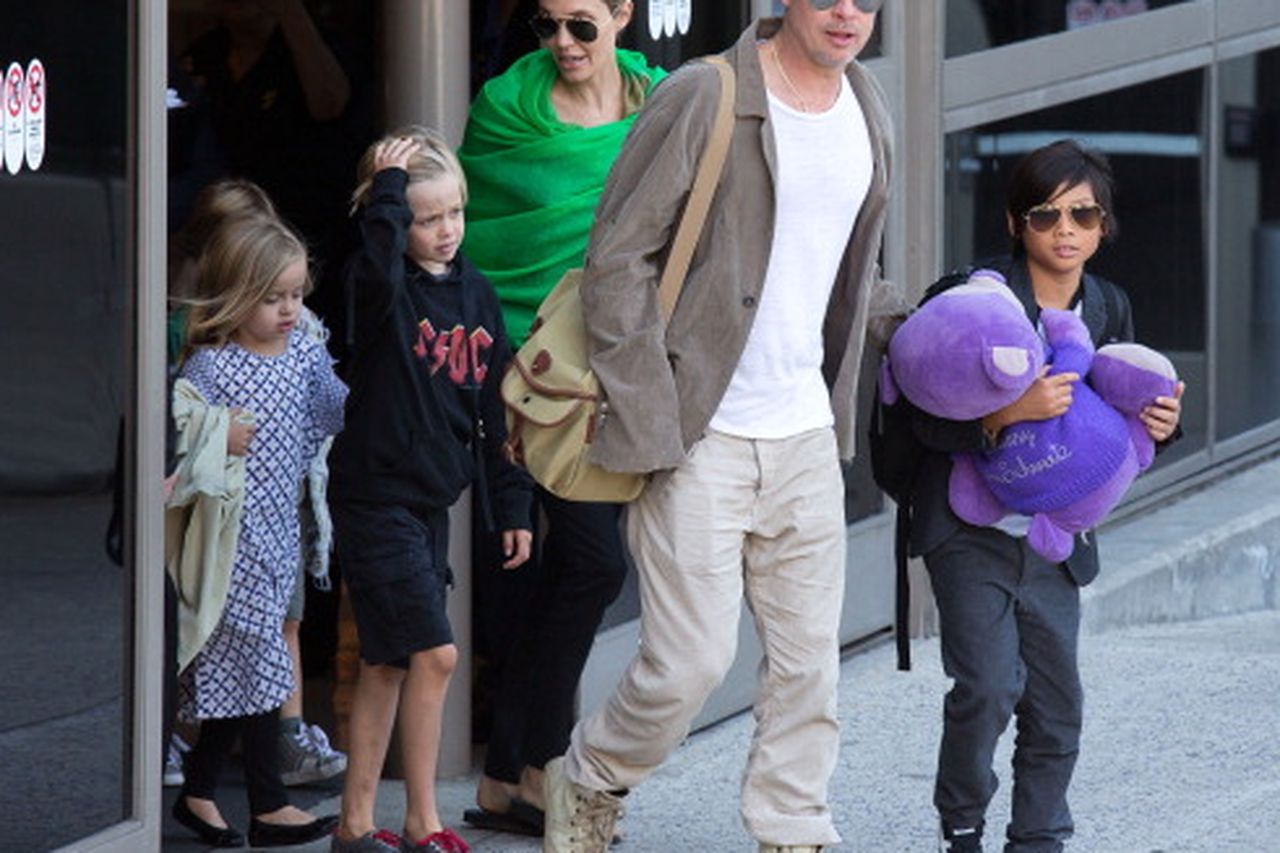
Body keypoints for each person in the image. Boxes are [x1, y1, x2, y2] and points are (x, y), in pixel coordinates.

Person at [540, 2, 905, 852]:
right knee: (690, 662)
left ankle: (794, 826)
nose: (850, 13)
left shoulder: (867, 105)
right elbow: (618, 257)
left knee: (809, 663)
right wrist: (652, 414)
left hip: (807, 429)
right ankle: (591, 772)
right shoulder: (708, 93)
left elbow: (851, 269)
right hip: (699, 430)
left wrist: (930, 330)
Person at [903, 140, 1183, 852]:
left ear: (1103, 224)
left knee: (1058, 707)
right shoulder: (975, 298)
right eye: (1045, 213)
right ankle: (962, 826)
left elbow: (1122, 411)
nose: (1066, 228)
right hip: (968, 530)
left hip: (1055, 539)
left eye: (1083, 214)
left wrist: (1164, 423)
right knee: (989, 687)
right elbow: (917, 409)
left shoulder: (1108, 305)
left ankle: (1040, 837)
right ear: (1014, 222)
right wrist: (1000, 416)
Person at [456, 0, 665, 836]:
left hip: (606, 361)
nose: (563, 44)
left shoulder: (657, 102)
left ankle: (510, 770)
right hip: (514, 364)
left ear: (623, 12)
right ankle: (537, 767)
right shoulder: (506, 105)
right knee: (578, 564)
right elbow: (487, 236)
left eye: (583, 24)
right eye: (546, 26)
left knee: (573, 566)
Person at [327, 128, 534, 853]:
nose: (445, 231)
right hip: (374, 493)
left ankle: (354, 823)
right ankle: (423, 820)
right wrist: (384, 195)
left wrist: (509, 503)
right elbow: (377, 277)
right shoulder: (378, 287)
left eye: (454, 213)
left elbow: (493, 408)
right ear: (391, 219)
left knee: (387, 659)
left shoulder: (476, 291)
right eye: (424, 218)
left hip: (429, 500)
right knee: (436, 652)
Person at [170, 213, 347, 848]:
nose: (288, 310)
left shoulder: (302, 349)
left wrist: (343, 372)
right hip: (227, 542)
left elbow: (331, 412)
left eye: (298, 295)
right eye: (272, 298)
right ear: (236, 295)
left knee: (249, 670)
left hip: (279, 536)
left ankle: (197, 790)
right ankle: (269, 806)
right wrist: (221, 436)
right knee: (265, 663)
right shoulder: (212, 366)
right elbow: (177, 439)